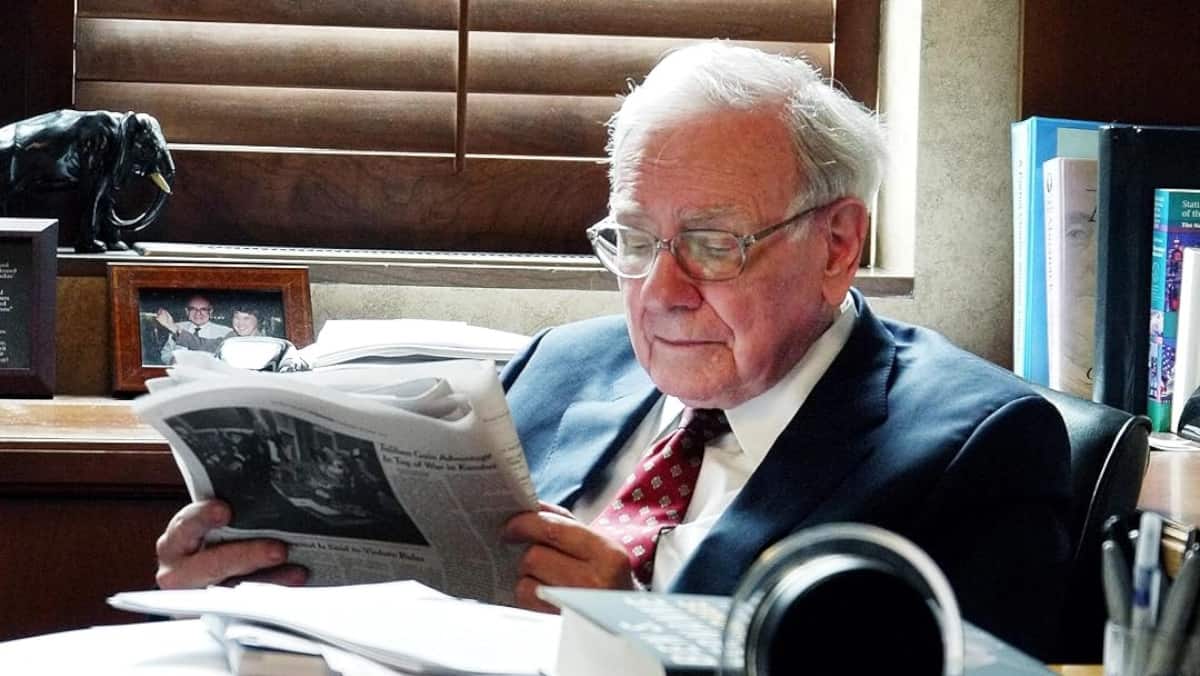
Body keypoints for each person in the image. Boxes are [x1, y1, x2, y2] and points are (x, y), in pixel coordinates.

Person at [152, 43, 1070, 656]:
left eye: (712, 243)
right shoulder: (558, 368)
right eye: (633, 239)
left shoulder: (976, 448)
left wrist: (635, 643)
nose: (661, 290)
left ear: (837, 245)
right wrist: (262, 588)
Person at [156, 293, 231, 362]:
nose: (198, 313)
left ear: (210, 312)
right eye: (193, 309)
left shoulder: (225, 332)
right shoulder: (178, 326)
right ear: (187, 311)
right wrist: (171, 360)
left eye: (203, 309)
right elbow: (166, 353)